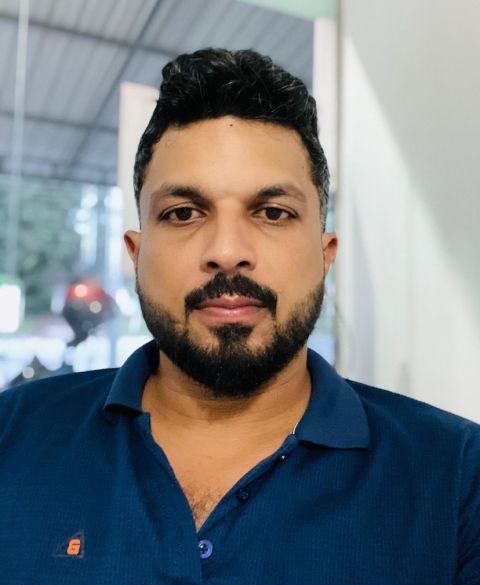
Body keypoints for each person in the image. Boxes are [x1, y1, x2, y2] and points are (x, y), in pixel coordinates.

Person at [0, 48, 478, 585]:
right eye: (183, 213)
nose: (227, 252)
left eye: (273, 212)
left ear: (325, 255)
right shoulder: (12, 434)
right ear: (136, 253)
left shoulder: (458, 477)